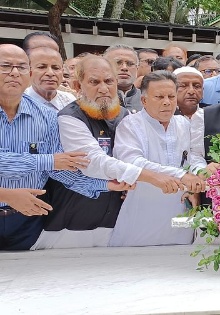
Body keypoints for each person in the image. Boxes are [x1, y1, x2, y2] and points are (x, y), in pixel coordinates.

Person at [34, 56, 187, 249]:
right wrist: (151, 177)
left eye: (109, 81)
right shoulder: (70, 118)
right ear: (77, 85)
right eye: (94, 82)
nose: (104, 88)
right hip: (72, 226)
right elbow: (94, 162)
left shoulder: (125, 115)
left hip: (114, 223)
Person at [0, 44, 130, 250]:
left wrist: (106, 186)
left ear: (29, 73)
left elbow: (62, 171)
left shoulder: (47, 116)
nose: (14, 73)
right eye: (6, 66)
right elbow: (53, 162)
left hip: (29, 221)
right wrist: (48, 160)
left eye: (21, 67)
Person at [110, 71, 203, 247]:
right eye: (159, 97)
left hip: (179, 213)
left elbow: (193, 158)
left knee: (177, 267)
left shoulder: (183, 124)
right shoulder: (130, 125)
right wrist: (181, 175)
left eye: (171, 96)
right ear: (144, 100)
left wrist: (198, 176)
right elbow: (132, 163)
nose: (167, 102)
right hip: (141, 216)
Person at [24, 47, 76, 112]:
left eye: (56, 68)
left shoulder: (70, 101)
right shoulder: (18, 102)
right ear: (29, 71)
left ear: (62, 72)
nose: (50, 73)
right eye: (42, 67)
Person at [104, 44, 143, 113]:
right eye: (118, 63)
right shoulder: (93, 98)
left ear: (137, 68)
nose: (124, 68)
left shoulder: (148, 99)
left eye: (130, 64)